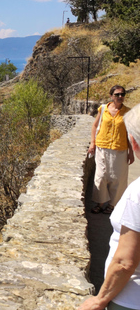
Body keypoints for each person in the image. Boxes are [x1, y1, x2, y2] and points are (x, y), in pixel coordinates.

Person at [79, 103, 140, 310]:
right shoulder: (103, 109)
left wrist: (100, 299)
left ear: (133, 142)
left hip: (131, 298)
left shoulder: (137, 193)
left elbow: (125, 262)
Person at [88, 85, 134, 214]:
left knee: (118, 179)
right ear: (111, 96)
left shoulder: (128, 112)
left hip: (120, 149)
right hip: (102, 147)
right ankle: (100, 203)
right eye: (117, 94)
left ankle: (113, 205)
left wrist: (131, 153)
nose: (120, 97)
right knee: (101, 176)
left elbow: (129, 134)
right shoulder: (103, 109)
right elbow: (95, 125)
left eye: (122, 94)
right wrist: (93, 143)